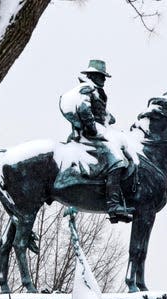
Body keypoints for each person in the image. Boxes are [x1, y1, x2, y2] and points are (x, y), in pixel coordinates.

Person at [60, 60, 134, 223]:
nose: (104, 80)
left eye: (104, 76)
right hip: (89, 135)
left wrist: (108, 117)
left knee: (124, 151)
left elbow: (98, 110)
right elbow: (84, 109)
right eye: (102, 76)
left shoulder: (97, 91)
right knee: (117, 161)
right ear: (93, 76)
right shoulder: (87, 89)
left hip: (101, 131)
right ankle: (113, 205)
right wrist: (93, 128)